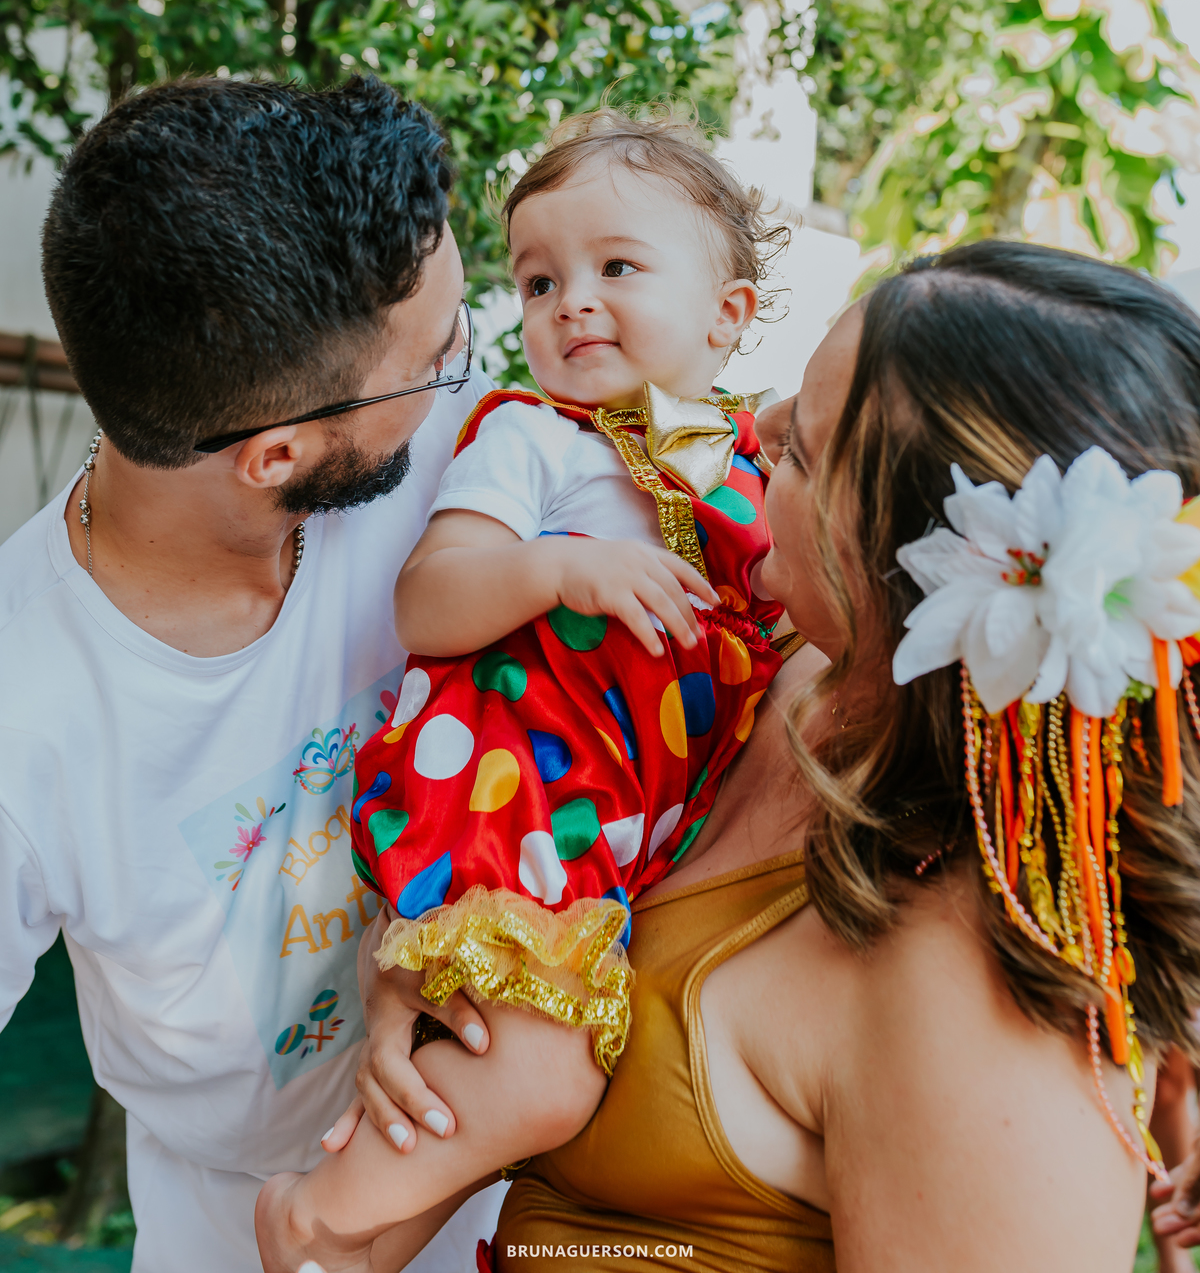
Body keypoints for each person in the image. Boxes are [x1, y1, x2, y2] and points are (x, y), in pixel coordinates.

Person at [338, 239, 1200, 1273]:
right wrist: (434, 948)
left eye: (802, 452)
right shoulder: (770, 668)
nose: (760, 426)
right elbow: (542, 808)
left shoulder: (986, 1010)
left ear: (912, 567)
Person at [256, 110, 790, 1271]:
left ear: (728, 313)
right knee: (544, 1083)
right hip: (522, 797)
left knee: (551, 1095)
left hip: (632, 838)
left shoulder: (754, 466)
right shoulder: (536, 439)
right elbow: (429, 602)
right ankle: (312, 1220)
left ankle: (343, 1245)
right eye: (540, 281)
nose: (570, 303)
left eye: (616, 267)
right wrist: (559, 567)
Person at [0, 77, 504, 1273]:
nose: (468, 380)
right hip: (242, 1229)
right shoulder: (25, 702)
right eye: (439, 361)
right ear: (275, 453)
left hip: (513, 1161)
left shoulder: (469, 457)